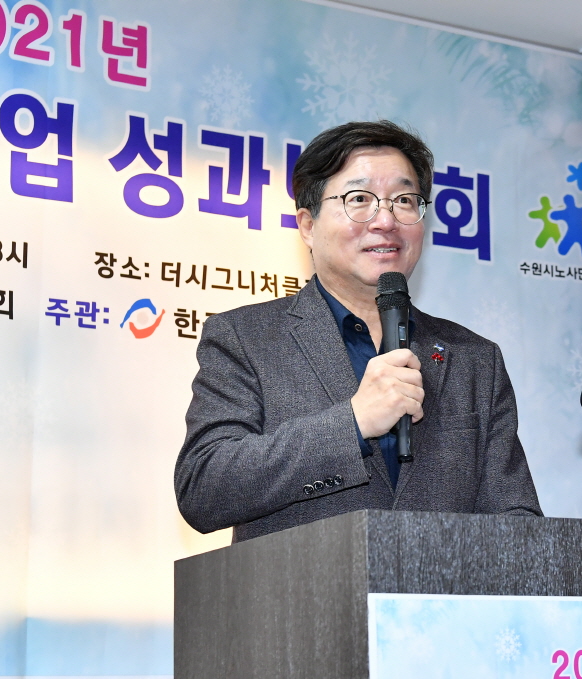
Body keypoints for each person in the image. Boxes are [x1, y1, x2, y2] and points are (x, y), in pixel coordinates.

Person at [174, 120, 542, 541]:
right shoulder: (246, 338)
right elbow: (203, 489)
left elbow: (517, 521)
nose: (386, 220)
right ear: (307, 225)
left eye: (404, 200)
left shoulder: (474, 358)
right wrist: (352, 422)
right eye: (360, 199)